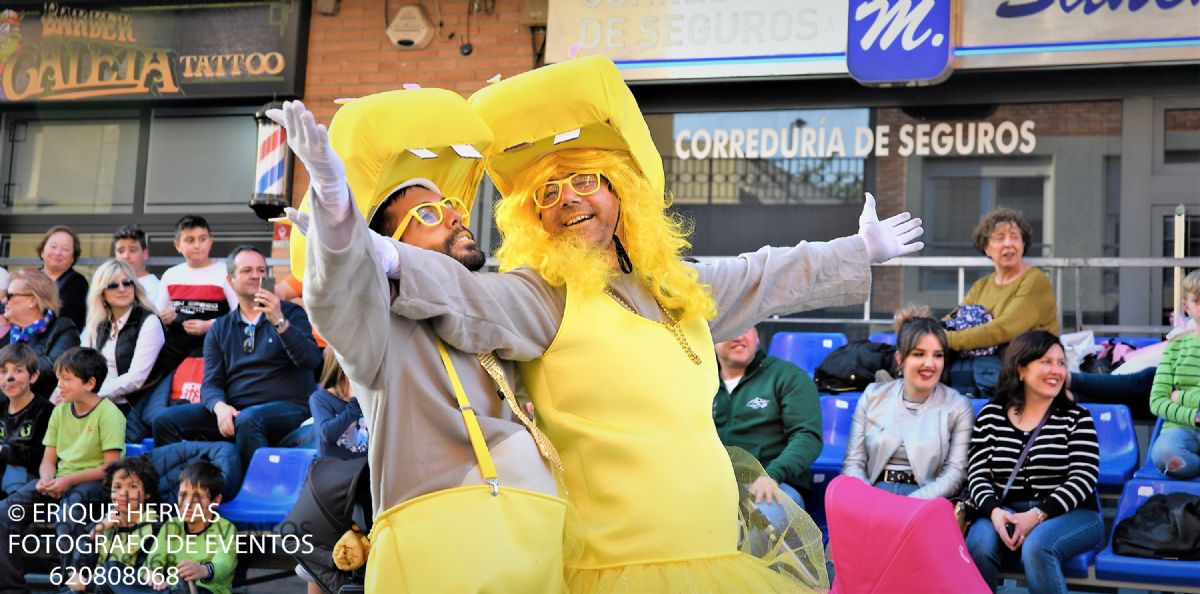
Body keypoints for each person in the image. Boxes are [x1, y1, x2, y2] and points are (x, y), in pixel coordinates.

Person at [278, 55, 923, 592]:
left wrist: (856, 251)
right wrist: (358, 241)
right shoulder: (537, 296)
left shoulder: (674, 286)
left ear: (622, 191)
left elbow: (758, 275)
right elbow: (402, 298)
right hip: (594, 568)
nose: (569, 199)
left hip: (697, 559)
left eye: (584, 179)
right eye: (548, 195)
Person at [277, 88, 564, 591]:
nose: (455, 215)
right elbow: (338, 299)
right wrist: (337, 212)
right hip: (440, 553)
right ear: (391, 246)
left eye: (451, 205)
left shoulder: (495, 294)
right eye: (427, 215)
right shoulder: (381, 327)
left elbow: (540, 319)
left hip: (528, 545)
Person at [152, 246, 320, 469]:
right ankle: (183, 485)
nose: (256, 275)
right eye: (247, 270)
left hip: (289, 407)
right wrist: (220, 408)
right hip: (235, 411)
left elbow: (311, 360)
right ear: (230, 281)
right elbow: (211, 384)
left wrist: (278, 321)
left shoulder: (291, 314)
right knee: (164, 421)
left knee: (249, 420)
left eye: (262, 270)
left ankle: (252, 490)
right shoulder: (220, 328)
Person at [965, 331, 1102, 594]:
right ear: (1021, 369)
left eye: (1061, 363)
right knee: (978, 546)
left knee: (1038, 546)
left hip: (1070, 514)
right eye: (1046, 362)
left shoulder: (1077, 417)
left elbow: (1083, 478)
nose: (1056, 371)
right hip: (1003, 508)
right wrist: (995, 512)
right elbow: (977, 474)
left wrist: (1037, 514)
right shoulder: (991, 415)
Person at [0, 347, 125, 591]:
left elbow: (112, 468)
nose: (60, 385)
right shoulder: (59, 411)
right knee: (4, 513)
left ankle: (70, 587)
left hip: (95, 485)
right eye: (59, 378)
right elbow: (48, 460)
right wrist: (47, 480)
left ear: (89, 383)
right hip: (58, 483)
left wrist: (67, 481)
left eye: (67, 379)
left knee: (69, 515)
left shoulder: (109, 413)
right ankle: (12, 588)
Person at [842, 310, 974, 498]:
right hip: (873, 494)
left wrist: (908, 506)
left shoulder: (958, 406)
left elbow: (955, 474)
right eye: (919, 354)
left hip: (925, 500)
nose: (930, 363)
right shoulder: (873, 395)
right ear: (900, 359)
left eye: (938, 355)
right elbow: (853, 463)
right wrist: (868, 499)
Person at [946, 208, 1058, 398]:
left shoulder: (1035, 280)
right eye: (1000, 238)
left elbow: (1005, 328)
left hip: (1026, 367)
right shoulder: (981, 285)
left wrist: (946, 339)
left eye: (1015, 237)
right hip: (988, 366)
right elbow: (954, 319)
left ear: (1023, 244)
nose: (1009, 243)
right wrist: (927, 333)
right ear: (987, 249)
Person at [713, 325, 822, 510]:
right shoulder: (701, 383)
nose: (739, 336)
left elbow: (807, 437)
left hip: (775, 482)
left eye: (746, 327)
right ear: (712, 339)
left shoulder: (788, 376)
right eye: (731, 330)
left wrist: (771, 474)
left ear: (756, 335)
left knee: (762, 510)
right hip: (714, 484)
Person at [152, 215, 238, 375]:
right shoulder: (170, 275)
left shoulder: (225, 272)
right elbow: (157, 317)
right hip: (175, 353)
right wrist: (163, 318)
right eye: (190, 240)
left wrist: (210, 325)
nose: (197, 245)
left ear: (210, 241)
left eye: (202, 239)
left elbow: (239, 314)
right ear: (177, 245)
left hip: (214, 347)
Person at [66, 455, 162, 593]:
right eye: (117, 487)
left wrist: (90, 586)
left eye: (133, 486)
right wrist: (96, 532)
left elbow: (139, 583)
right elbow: (76, 572)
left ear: (147, 493)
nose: (123, 493)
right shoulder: (105, 522)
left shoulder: (156, 529)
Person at [81, 260, 166, 415]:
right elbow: (80, 364)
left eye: (127, 283)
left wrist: (93, 393)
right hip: (97, 401)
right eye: (113, 285)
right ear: (102, 293)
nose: (122, 289)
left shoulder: (149, 322)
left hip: (132, 406)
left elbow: (136, 378)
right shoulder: (97, 323)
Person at [145, 460, 236, 594]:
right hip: (171, 589)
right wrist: (153, 575)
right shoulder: (172, 526)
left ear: (216, 500)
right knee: (111, 571)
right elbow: (153, 560)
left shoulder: (226, 529)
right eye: (183, 495)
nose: (187, 503)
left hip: (207, 590)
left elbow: (224, 562)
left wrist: (204, 570)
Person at [1147, 269, 1200, 479]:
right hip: (1179, 429)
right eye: (1198, 301)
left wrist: (1182, 397)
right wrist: (1194, 416)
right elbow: (1157, 401)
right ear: (1187, 307)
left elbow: (1169, 398)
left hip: (1183, 412)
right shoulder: (1175, 347)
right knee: (1164, 454)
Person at [3, 268, 81, 398]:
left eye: (10, 296)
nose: (4, 301)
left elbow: (54, 368)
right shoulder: (11, 332)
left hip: (41, 410)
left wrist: (6, 367)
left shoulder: (62, 328)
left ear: (32, 301)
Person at [0, 344, 53, 497]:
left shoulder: (46, 411)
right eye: (3, 371)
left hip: (28, 483)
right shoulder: (1, 407)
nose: (10, 378)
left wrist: (4, 451)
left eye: (18, 370)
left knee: (14, 469)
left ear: (34, 376)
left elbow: (42, 456)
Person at [310, 349, 367, 461]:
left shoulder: (368, 398)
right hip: (336, 473)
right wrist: (355, 402)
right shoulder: (320, 399)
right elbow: (328, 434)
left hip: (365, 471)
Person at [37, 225, 89, 330]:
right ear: (42, 251)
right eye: (53, 246)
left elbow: (61, 317)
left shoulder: (77, 283)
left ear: (73, 257)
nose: (57, 253)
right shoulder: (27, 278)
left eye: (65, 249)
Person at [113, 224, 162, 300]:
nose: (126, 256)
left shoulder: (156, 289)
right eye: (121, 251)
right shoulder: (109, 285)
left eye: (132, 250)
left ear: (145, 254)